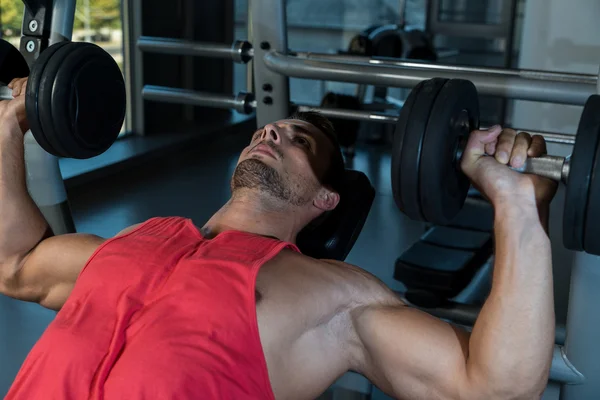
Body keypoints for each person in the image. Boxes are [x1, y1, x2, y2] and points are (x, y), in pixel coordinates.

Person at [0, 77, 556, 400]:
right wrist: (7, 127)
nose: (272, 130)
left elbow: (492, 390)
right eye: (273, 128)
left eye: (300, 141)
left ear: (325, 199)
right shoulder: (139, 239)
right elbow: (15, 262)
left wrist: (514, 206)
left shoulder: (330, 297)